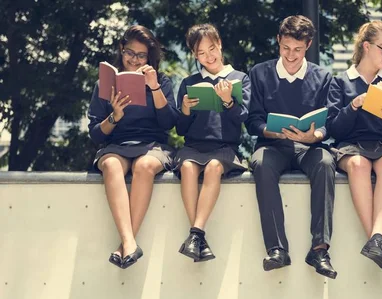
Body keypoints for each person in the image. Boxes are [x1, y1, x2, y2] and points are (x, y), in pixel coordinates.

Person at [244, 15, 337, 279]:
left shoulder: (322, 77)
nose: (291, 55)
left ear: (308, 45)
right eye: (285, 48)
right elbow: (252, 120)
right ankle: (277, 249)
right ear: (278, 41)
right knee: (260, 164)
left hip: (308, 148)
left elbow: (329, 122)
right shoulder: (260, 73)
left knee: (326, 163)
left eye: (297, 49)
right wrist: (267, 130)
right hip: (272, 146)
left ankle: (319, 249)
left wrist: (315, 135)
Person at [88, 25, 178, 269]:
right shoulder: (105, 84)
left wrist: (155, 87)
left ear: (149, 58)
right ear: (121, 49)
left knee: (145, 165)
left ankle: (125, 245)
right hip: (116, 144)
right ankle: (129, 243)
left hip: (153, 145)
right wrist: (114, 116)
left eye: (141, 56)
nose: (134, 60)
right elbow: (96, 134)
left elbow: (169, 123)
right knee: (110, 164)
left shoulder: (161, 81)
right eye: (130, 53)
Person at [326, 21, 382, 269]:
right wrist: (353, 106)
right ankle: (375, 239)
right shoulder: (341, 82)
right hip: (351, 147)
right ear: (366, 46)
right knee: (359, 165)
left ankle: (377, 238)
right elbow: (333, 130)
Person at [174, 24, 250, 262]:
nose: (209, 56)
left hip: (225, 147)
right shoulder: (190, 82)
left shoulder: (239, 78)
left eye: (212, 48)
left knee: (214, 167)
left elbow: (243, 118)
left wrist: (228, 101)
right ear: (195, 56)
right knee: (187, 167)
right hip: (194, 146)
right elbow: (181, 129)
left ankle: (195, 235)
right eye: (201, 53)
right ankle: (198, 236)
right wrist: (185, 109)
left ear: (220, 44)